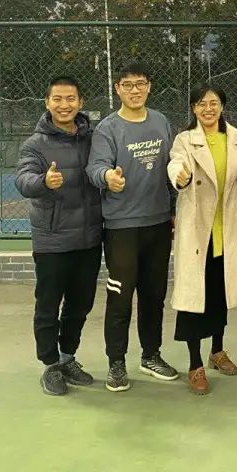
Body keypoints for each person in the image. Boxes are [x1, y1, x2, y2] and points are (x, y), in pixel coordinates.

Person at [86, 62, 178, 392]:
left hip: (158, 224)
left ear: (149, 86)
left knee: (154, 296)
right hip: (122, 227)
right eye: (127, 85)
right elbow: (95, 167)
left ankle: (151, 355)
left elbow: (172, 167)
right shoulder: (108, 129)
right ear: (117, 89)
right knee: (120, 297)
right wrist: (107, 177)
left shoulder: (161, 122)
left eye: (140, 83)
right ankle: (116, 362)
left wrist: (174, 206)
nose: (135, 90)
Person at [15, 76, 103, 396]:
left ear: (80, 103)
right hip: (52, 240)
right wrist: (43, 182)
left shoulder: (94, 139)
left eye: (70, 99)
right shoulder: (34, 144)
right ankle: (50, 365)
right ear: (47, 102)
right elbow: (23, 179)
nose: (64, 105)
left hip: (89, 239)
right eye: (57, 99)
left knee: (80, 304)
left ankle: (68, 358)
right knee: (48, 305)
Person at [168, 83, 237, 396]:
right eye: (201, 103)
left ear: (222, 106)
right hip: (197, 232)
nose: (208, 108)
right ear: (193, 108)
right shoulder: (185, 140)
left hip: (228, 231)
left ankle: (217, 351)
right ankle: (195, 364)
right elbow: (175, 163)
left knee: (220, 295)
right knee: (193, 300)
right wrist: (179, 176)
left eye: (213, 102)